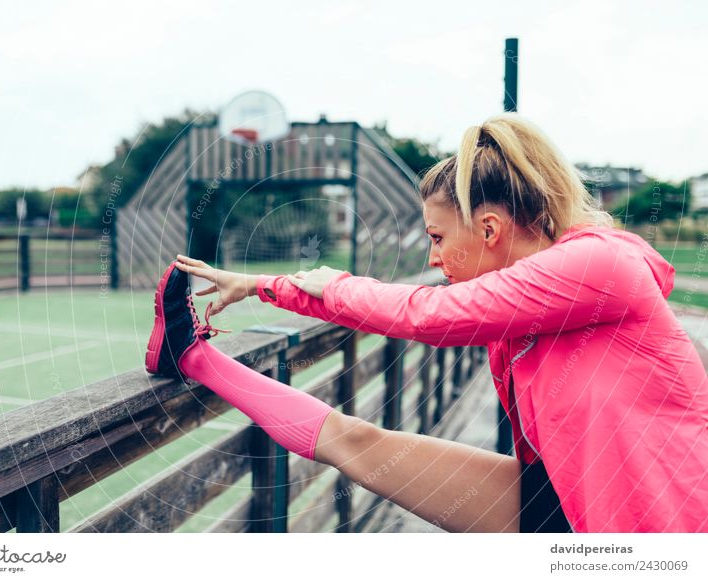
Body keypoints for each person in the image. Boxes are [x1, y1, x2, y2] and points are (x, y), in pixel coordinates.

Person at [146, 112, 708, 533]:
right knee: (359, 443)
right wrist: (261, 286)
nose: (434, 259)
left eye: (438, 239)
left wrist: (333, 285)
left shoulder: (601, 263)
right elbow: (406, 304)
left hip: (664, 528)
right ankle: (191, 357)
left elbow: (429, 315)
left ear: (488, 230)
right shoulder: (526, 306)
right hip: (569, 500)